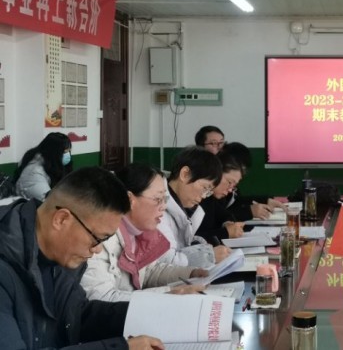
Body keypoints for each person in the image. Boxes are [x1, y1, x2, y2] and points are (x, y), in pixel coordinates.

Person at [0, 166, 162, 349]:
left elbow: (76, 317)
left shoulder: (59, 255)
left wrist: (148, 313)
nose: (98, 249)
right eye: (97, 239)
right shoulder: (6, 267)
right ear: (61, 219)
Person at [81, 163, 208, 301]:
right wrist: (169, 294)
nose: (164, 206)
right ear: (130, 199)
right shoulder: (101, 238)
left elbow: (148, 272)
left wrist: (190, 274)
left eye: (165, 199)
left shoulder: (139, 232)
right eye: (158, 199)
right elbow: (102, 298)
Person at [158, 147, 230, 267]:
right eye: (205, 188)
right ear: (185, 174)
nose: (204, 196)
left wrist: (199, 245)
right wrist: (208, 256)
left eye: (209, 192)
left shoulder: (186, 208)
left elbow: (181, 245)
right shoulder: (157, 209)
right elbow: (165, 262)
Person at [221, 142, 284, 221]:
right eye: (242, 168)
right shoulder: (213, 192)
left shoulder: (231, 184)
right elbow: (218, 217)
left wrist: (265, 201)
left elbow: (237, 201)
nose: (243, 173)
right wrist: (248, 212)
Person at [196, 152, 245, 244]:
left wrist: (227, 223)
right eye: (229, 182)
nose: (230, 190)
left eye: (233, 186)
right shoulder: (195, 197)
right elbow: (190, 239)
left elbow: (224, 215)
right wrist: (225, 232)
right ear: (216, 173)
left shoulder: (211, 198)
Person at [14, 132, 73, 201]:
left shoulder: (53, 165)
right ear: (54, 153)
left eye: (69, 151)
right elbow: (48, 201)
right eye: (65, 152)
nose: (68, 155)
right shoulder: (34, 173)